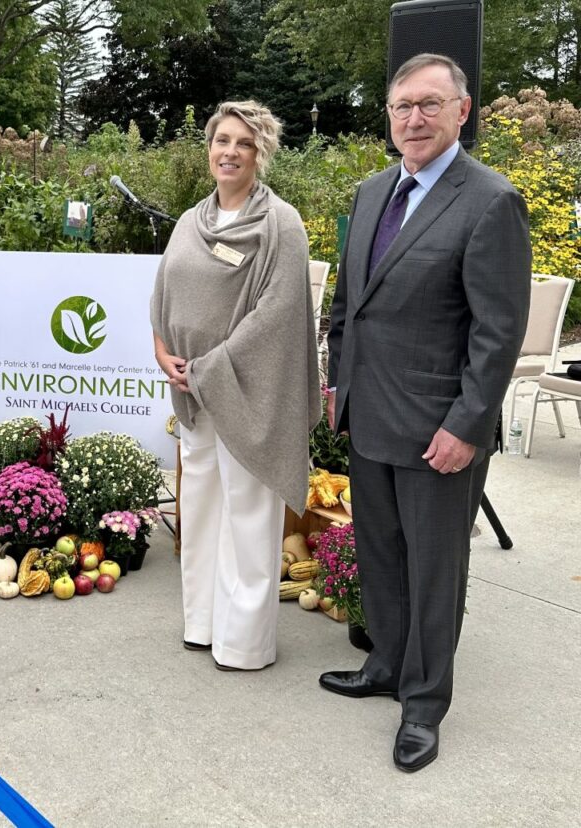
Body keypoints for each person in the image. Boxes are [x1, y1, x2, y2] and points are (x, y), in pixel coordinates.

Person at [321, 53, 531, 772]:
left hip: (441, 430)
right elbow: (347, 306)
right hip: (369, 417)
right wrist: (335, 387)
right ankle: (385, 663)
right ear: (388, 115)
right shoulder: (375, 189)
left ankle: (424, 704)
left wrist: (467, 426)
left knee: (435, 571)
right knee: (380, 557)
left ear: (461, 112)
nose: (414, 117)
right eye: (402, 105)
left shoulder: (490, 200)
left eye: (429, 104)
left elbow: (497, 332)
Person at [150, 101, 320, 672]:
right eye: (221, 141)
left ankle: (245, 642)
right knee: (200, 505)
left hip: (247, 388)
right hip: (194, 388)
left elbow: (278, 313)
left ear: (260, 153)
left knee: (248, 510)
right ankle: (202, 621)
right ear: (209, 150)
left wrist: (213, 364)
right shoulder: (190, 220)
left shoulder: (281, 224)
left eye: (242, 144)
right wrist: (161, 349)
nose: (229, 152)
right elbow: (163, 294)